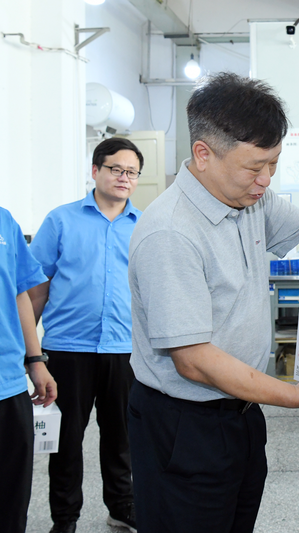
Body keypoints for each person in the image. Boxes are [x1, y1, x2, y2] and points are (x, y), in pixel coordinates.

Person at [126, 72, 299, 533]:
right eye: (255, 167)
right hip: (184, 425)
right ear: (203, 154)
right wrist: (296, 396)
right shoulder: (170, 232)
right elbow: (194, 360)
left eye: (274, 164)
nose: (266, 180)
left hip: (241, 412)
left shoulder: (250, 200)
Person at [29, 138, 143, 533]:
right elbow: (36, 286)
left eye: (131, 172)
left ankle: (122, 507)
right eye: (116, 169)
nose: (124, 178)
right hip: (66, 350)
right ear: (96, 171)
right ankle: (65, 519)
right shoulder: (61, 220)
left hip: (124, 349)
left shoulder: (144, 225)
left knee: (121, 438)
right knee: (65, 441)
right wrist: (30, 352)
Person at [0, 206, 57, 533]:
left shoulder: (4, 220)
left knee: (11, 498)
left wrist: (35, 361)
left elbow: (19, 290)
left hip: (7, 383)